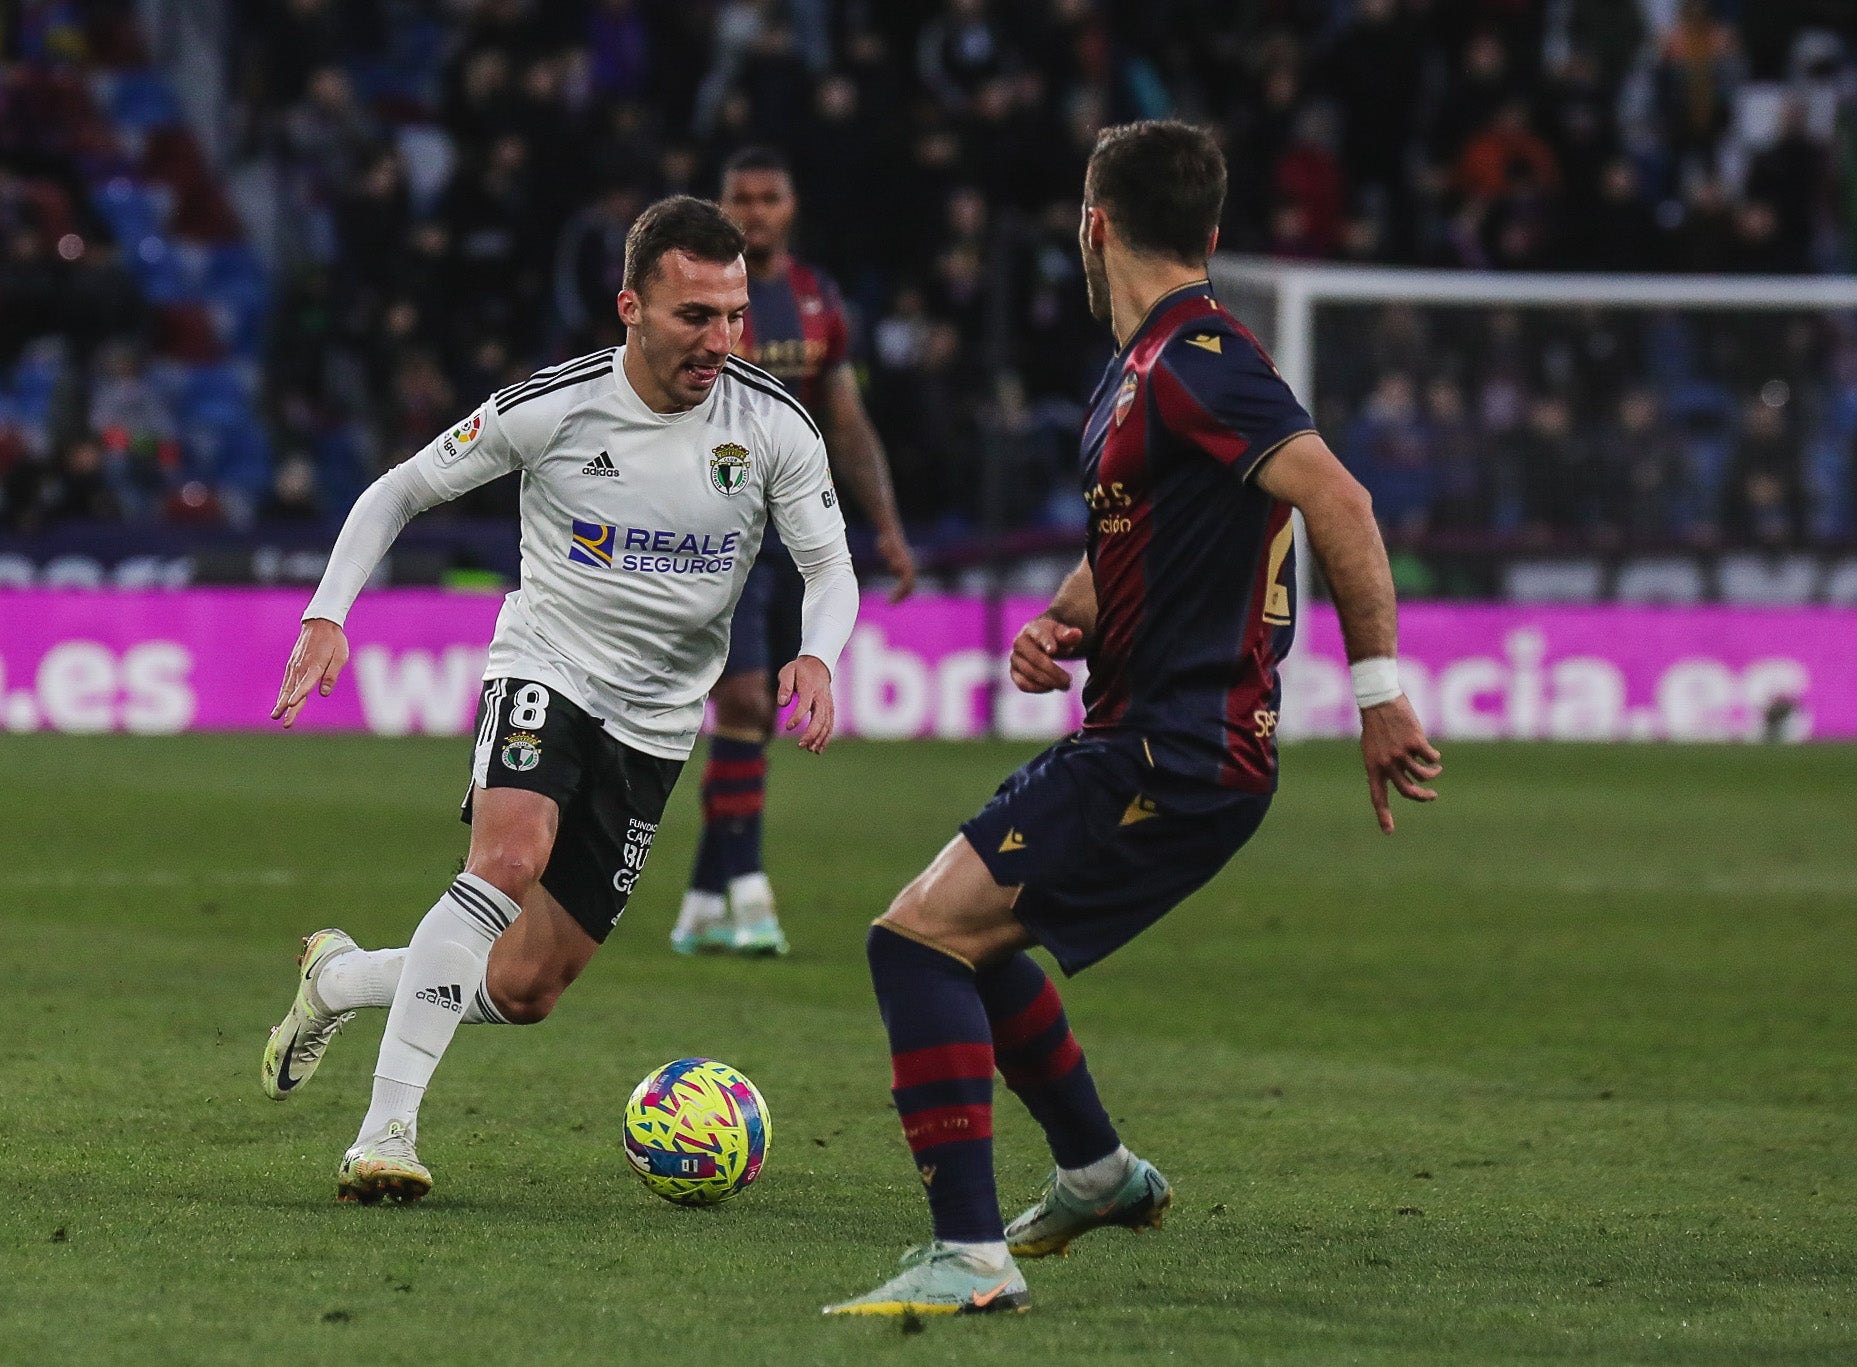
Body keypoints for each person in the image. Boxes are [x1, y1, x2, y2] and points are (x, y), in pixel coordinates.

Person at [823, 121, 1443, 1317]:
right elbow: (1155, 538)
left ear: (1093, 225)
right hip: (1140, 734)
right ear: (1209, 234)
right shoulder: (1149, 366)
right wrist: (1067, 612)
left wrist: (1378, 692)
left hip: (1179, 749)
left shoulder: (1202, 359)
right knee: (975, 935)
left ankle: (968, 1256)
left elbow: (1343, 501)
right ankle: (1099, 1173)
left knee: (915, 940)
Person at [260, 196, 858, 1205]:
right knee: (506, 859)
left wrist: (821, 654)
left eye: (735, 314)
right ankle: (385, 1132)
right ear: (631, 306)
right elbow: (398, 490)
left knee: (530, 985)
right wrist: (328, 611)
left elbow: (829, 563)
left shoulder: (772, 426)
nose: (721, 340)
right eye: (694, 316)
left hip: (661, 719)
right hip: (548, 665)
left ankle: (341, 979)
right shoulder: (558, 405)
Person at [669, 146, 916, 958]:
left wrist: (883, 522)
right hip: (713, 532)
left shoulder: (816, 301)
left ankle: (704, 900)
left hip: (795, 531)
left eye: (769, 197)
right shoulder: (697, 297)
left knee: (753, 721)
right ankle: (749, 889)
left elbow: (843, 418)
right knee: (741, 703)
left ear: (792, 205)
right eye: (740, 196)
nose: (755, 211)